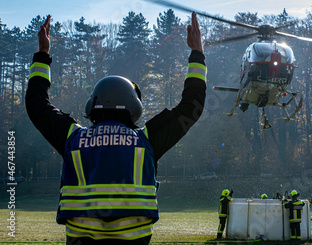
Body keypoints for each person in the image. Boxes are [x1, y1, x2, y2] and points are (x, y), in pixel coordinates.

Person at [26, 13, 206, 244]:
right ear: (134, 106)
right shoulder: (146, 141)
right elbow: (192, 106)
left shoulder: (73, 138)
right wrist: (197, 53)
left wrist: (42, 55)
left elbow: (36, 104)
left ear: (92, 105)